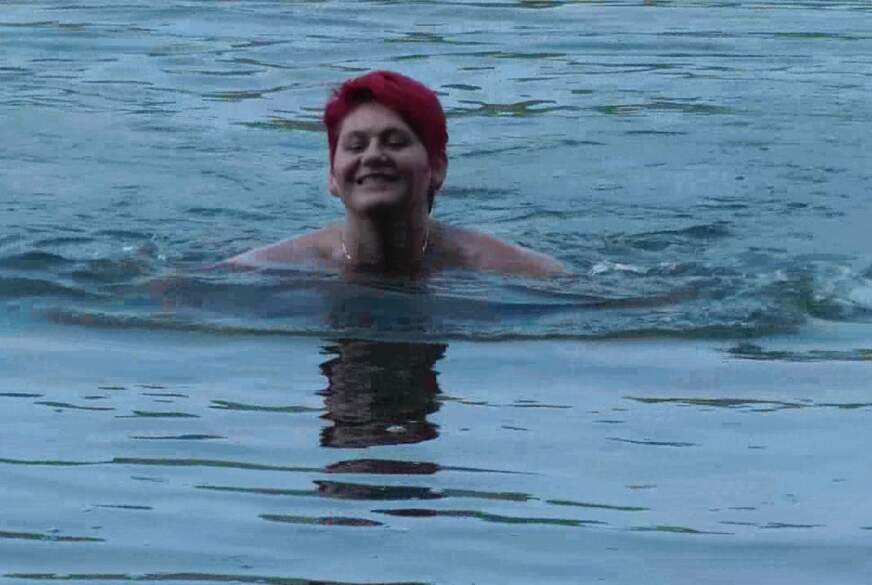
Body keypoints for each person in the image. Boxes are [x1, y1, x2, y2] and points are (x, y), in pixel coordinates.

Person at [224, 70, 564, 276]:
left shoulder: (504, 268)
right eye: (356, 145)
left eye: (395, 142)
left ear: (437, 169)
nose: (373, 156)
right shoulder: (273, 267)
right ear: (332, 177)